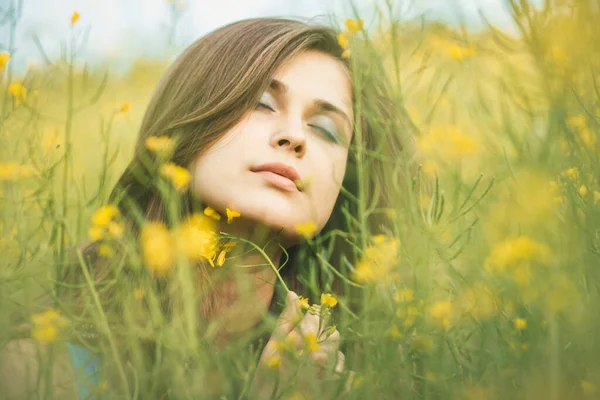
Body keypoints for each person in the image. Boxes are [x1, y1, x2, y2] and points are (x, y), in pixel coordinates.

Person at [0, 16, 411, 399]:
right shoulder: (40, 372)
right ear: (186, 123)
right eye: (262, 103)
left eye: (325, 130)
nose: (293, 137)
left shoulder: (358, 373)